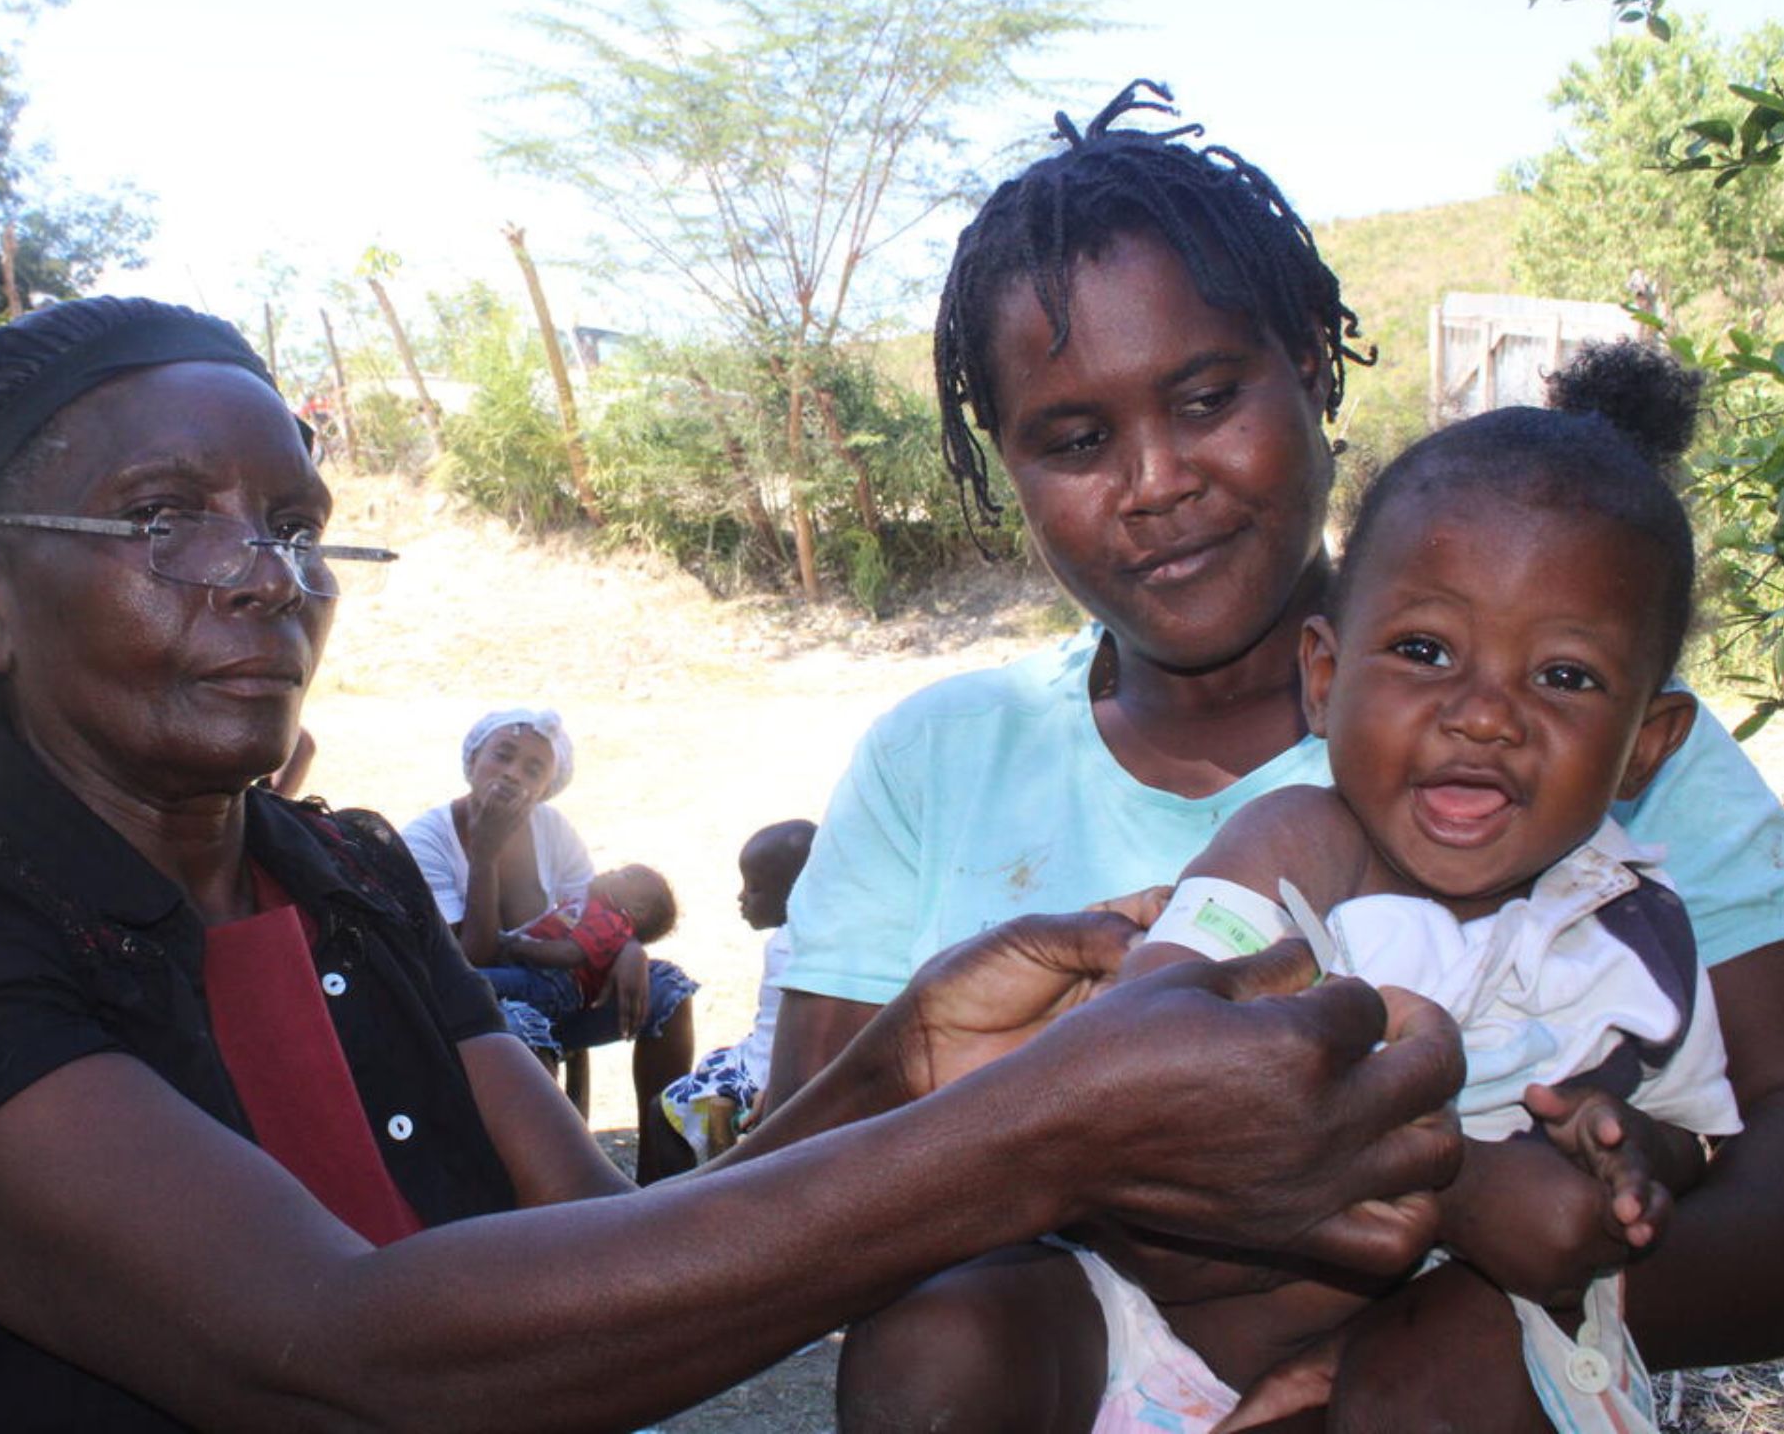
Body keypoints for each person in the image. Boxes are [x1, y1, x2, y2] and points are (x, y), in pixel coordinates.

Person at [0, 295, 1465, 1432]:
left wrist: (912, 1061)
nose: (265, 576)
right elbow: (345, 1353)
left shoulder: (339, 878)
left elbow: (607, 1262)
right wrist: (1037, 1137)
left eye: (291, 521)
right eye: (162, 521)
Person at [783, 83, 1784, 1430]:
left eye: (1205, 397)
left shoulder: (1603, 759)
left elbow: (1740, 1134)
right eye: (1074, 441)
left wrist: (1448, 1331)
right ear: (1005, 471)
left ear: (1312, 365)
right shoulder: (934, 764)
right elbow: (800, 1207)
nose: (1153, 480)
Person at [999, 344, 1739, 1433]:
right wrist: (1466, 1189)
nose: (1484, 714)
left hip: (1428, 1361)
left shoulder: (1636, 938)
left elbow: (1694, 1130)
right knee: (939, 1337)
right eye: (1425, 650)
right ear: (1326, 678)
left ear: (1646, 744)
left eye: (1564, 676)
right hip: (1149, 1332)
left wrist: (1627, 1158)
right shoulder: (1293, 851)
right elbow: (1153, 1050)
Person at [401, 707, 697, 1118]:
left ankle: (662, 1171)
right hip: (468, 1012)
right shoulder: (426, 841)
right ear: (473, 759)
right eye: (502, 755)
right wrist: (485, 855)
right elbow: (470, 963)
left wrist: (629, 948)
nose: (512, 773)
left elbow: (597, 911)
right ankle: (555, 1177)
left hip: (559, 994)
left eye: (533, 769)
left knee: (668, 991)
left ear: (546, 787)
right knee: (518, 1023)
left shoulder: (554, 830)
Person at [641, 820, 814, 1183]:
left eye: (754, 888)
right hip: (769, 1057)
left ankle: (665, 1206)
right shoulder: (812, 936)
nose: (742, 897)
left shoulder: (787, 946)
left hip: (771, 1072)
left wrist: (778, 1085)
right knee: (708, 1067)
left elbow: (794, 1035)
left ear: (797, 892)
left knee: (665, 1109)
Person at [481, 862, 679, 1030]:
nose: (612, 871)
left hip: (550, 985)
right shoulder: (593, 907)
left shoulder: (610, 922)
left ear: (638, 909)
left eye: (625, 875)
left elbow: (569, 953)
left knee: (477, 981)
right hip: (543, 979)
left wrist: (519, 949)